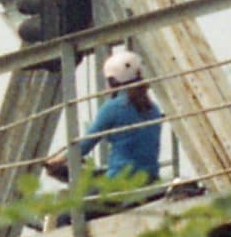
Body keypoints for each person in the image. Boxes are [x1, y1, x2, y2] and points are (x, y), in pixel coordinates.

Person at [65, 47, 164, 191]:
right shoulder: (153, 108)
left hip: (121, 181)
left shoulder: (114, 107)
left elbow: (85, 145)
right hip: (150, 178)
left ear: (112, 81)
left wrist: (59, 160)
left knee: (68, 212)